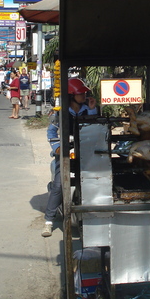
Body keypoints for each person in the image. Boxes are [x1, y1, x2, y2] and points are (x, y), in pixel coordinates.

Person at [42, 77, 98, 237]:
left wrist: (93, 110)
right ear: (71, 95)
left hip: (87, 153)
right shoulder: (59, 113)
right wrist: (57, 147)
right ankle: (48, 221)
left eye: (84, 93)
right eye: (81, 93)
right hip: (67, 153)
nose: (84, 96)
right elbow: (51, 132)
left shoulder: (89, 109)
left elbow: (95, 128)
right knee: (59, 185)